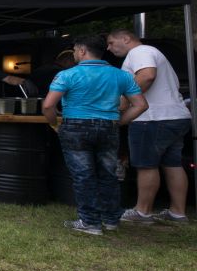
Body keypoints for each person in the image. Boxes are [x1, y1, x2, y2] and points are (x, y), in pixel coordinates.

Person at [43, 35, 148, 235]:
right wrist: (119, 122)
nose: (74, 53)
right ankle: (111, 219)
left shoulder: (67, 75)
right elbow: (141, 105)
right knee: (108, 174)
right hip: (108, 126)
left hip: (76, 126)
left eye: (75, 50)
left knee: (84, 176)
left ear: (82, 51)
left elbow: (48, 105)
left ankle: (90, 223)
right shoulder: (121, 75)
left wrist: (54, 124)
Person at [107, 30, 190, 224]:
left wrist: (125, 99)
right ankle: (178, 212)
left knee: (146, 165)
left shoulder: (139, 52)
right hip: (176, 116)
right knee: (173, 164)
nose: (109, 48)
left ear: (126, 38)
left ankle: (142, 212)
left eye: (111, 42)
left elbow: (147, 76)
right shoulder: (152, 52)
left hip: (152, 118)